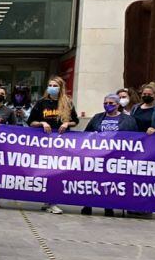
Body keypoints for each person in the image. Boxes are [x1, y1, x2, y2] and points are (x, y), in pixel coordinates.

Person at [26, 76, 79, 214]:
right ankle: (48, 200)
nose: (52, 87)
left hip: (61, 145)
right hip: (43, 144)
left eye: (55, 85)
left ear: (61, 88)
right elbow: (30, 122)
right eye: (50, 85)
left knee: (56, 173)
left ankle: (52, 201)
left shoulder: (67, 103)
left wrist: (67, 123)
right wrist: (42, 123)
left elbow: (75, 121)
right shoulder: (41, 103)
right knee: (45, 172)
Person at [80, 93, 137, 217]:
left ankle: (108, 205)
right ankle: (88, 204)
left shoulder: (128, 120)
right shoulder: (97, 117)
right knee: (93, 180)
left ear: (117, 105)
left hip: (116, 156)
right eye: (105, 103)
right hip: (97, 155)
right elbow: (86, 133)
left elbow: (134, 137)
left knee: (111, 182)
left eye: (111, 103)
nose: (108, 105)